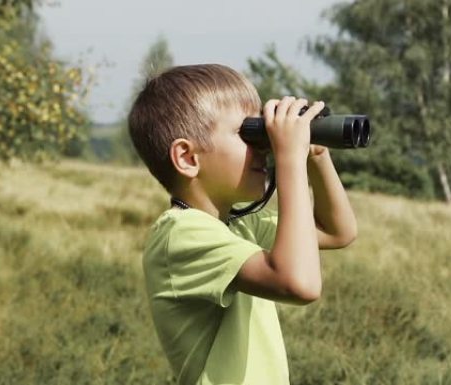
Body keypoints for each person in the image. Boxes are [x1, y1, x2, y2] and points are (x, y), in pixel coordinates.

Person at [128, 64, 357, 385]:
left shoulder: (237, 226)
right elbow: (300, 283)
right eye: (248, 133)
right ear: (187, 158)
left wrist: (315, 154)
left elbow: (337, 231)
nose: (264, 147)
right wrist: (290, 157)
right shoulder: (182, 234)